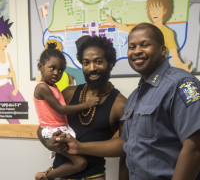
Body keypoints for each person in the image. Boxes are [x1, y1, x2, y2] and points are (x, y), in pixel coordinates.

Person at [57, 23, 200, 180]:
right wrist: (77, 147)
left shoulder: (181, 83)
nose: (137, 51)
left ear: (163, 50)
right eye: (132, 47)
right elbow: (127, 145)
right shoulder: (135, 97)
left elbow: (194, 146)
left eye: (145, 45)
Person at [37, 36, 127, 180]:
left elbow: (124, 146)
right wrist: (48, 143)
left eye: (98, 62)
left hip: (92, 176)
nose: (92, 68)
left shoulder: (120, 104)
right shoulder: (67, 93)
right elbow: (43, 127)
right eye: (86, 62)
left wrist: (80, 147)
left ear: (110, 63)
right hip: (59, 174)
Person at [34, 48, 99, 180]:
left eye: (60, 70)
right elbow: (61, 109)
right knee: (80, 162)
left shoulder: (54, 87)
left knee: (77, 156)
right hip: (53, 130)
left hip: (60, 127)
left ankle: (50, 172)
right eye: (52, 68)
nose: (56, 73)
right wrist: (87, 104)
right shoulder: (42, 87)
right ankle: (46, 177)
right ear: (40, 67)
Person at [106, 0, 192, 72]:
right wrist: (113, 22)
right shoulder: (143, 29)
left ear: (165, 10)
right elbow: (126, 28)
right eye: (151, 9)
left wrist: (181, 66)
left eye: (158, 8)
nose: (137, 51)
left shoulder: (168, 33)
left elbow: (175, 56)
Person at [0, 16, 25, 124]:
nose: (5, 42)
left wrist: (15, 87)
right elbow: (9, 74)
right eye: (2, 39)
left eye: (7, 39)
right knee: (12, 117)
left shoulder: (7, 54)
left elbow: (13, 72)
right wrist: (7, 76)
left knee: (23, 104)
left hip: (8, 86)